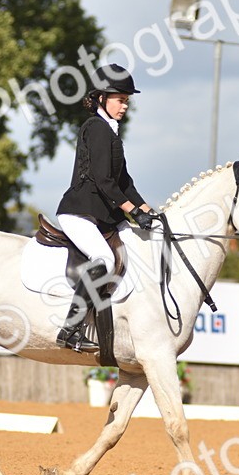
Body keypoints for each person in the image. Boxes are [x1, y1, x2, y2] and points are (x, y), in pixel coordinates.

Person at [55, 63, 156, 352]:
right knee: (105, 259)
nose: (125, 106)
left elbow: (124, 182)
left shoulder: (111, 131)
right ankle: (70, 328)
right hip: (80, 211)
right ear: (102, 97)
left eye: (127, 101)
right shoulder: (96, 128)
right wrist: (132, 211)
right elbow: (102, 181)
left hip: (105, 215)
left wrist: (149, 210)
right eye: (120, 100)